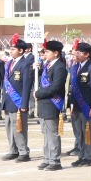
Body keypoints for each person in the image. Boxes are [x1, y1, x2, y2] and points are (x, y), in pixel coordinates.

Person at [34, 40, 67, 170]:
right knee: (46, 133)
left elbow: (55, 87)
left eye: (47, 51)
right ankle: (47, 158)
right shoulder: (47, 65)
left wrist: (38, 93)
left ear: (56, 53)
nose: (45, 54)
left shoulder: (59, 67)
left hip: (52, 103)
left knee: (52, 133)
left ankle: (55, 160)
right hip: (44, 104)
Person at [2, 37, 34, 162]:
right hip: (8, 100)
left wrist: (24, 103)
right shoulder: (10, 63)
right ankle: (13, 150)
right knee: (9, 126)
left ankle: (23, 151)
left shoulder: (25, 64)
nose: (11, 51)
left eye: (13, 49)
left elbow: (26, 85)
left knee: (19, 127)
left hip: (18, 101)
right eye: (10, 48)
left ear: (21, 50)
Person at [68, 41, 91, 167]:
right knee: (79, 132)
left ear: (86, 54)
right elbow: (71, 87)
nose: (77, 54)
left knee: (88, 132)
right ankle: (81, 155)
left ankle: (88, 157)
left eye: (79, 53)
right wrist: (70, 104)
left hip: (86, 106)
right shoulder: (75, 67)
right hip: (75, 105)